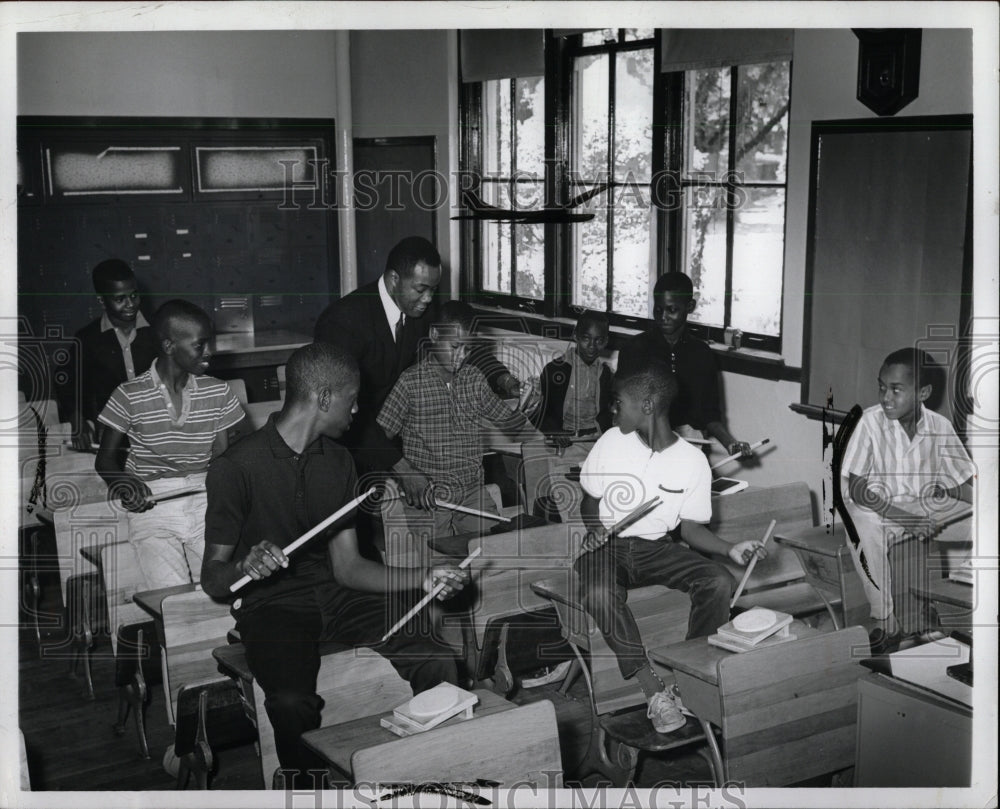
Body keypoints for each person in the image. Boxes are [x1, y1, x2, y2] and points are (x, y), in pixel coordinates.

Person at [200, 342, 468, 784]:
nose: (358, 408)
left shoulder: (340, 461)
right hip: (273, 606)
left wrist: (424, 578)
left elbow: (349, 568)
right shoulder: (235, 466)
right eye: (352, 397)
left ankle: (434, 769)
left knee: (435, 656)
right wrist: (246, 566)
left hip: (337, 596)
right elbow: (213, 579)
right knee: (289, 702)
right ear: (324, 398)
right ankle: (305, 788)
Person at [575, 358, 764, 733]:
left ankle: (683, 681)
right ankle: (652, 690)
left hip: (657, 549)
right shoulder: (611, 441)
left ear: (646, 406)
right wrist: (594, 527)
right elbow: (589, 499)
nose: (614, 409)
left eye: (620, 401)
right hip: (606, 550)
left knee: (718, 581)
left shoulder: (693, 461)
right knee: (597, 591)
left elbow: (692, 531)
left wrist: (729, 548)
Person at [95, 299, 245, 589]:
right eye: (200, 345)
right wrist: (124, 484)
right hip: (154, 507)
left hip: (206, 498)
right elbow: (105, 461)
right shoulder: (129, 394)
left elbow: (224, 459)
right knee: (173, 599)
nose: (209, 353)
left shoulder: (218, 391)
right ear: (168, 346)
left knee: (225, 589)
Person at [841, 347, 974, 654]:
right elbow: (859, 489)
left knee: (982, 519)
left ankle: (955, 606)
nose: (886, 397)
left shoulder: (939, 426)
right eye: (882, 387)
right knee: (861, 524)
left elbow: (963, 483)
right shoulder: (869, 423)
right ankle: (886, 622)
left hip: (923, 506)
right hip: (878, 511)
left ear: (923, 392)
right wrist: (907, 519)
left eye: (896, 390)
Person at [377, 301, 530, 551]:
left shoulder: (474, 379)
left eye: (467, 350)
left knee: (494, 553)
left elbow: (509, 423)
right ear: (434, 335)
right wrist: (403, 475)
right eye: (455, 347)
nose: (460, 358)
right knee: (440, 568)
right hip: (429, 497)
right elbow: (380, 437)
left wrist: (524, 405)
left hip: (472, 491)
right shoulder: (410, 383)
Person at [313, 236, 442, 489]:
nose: (428, 298)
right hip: (345, 449)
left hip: (388, 441)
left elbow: (457, 344)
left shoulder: (420, 311)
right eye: (420, 289)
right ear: (394, 279)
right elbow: (338, 410)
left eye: (433, 290)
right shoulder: (343, 321)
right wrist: (401, 465)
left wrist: (504, 380)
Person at [616, 272, 753, 459]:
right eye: (658, 309)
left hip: (690, 442)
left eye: (672, 310)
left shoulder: (702, 353)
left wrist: (730, 443)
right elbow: (621, 407)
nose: (663, 316)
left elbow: (710, 414)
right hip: (643, 440)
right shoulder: (634, 349)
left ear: (690, 306)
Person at [71, 259, 158, 450]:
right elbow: (72, 384)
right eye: (120, 299)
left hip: (158, 427)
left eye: (134, 295)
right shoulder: (87, 338)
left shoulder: (158, 329)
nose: (130, 304)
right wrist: (78, 422)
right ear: (102, 300)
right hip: (114, 436)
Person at [533, 309, 614, 446]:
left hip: (595, 440)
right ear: (575, 335)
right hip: (564, 438)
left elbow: (610, 414)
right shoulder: (554, 370)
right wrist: (554, 432)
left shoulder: (606, 374)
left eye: (598, 340)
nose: (591, 346)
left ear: (606, 341)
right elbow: (539, 412)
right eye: (586, 338)